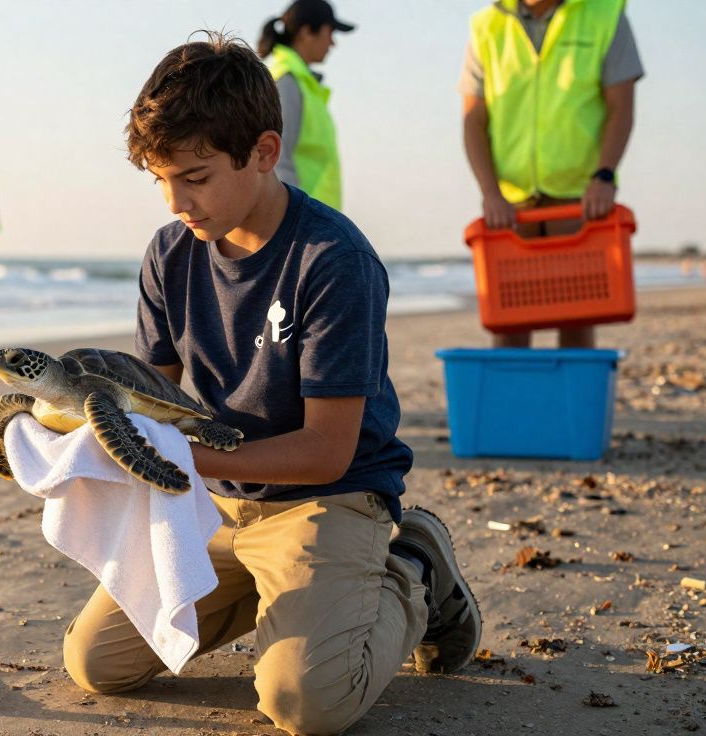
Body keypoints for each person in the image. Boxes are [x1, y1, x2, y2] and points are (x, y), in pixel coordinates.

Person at [61, 35, 481, 735]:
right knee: (96, 663)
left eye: (194, 176)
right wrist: (60, 428)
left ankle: (412, 566)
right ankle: (286, 596)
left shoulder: (332, 260)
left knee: (303, 705)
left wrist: (185, 459)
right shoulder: (171, 254)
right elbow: (150, 400)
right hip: (218, 505)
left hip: (327, 498)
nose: (175, 202)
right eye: (161, 179)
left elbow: (326, 452)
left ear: (263, 151)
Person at [461, 0, 643, 348]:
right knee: (508, 324)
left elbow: (622, 107)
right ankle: (515, 402)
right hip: (511, 203)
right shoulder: (486, 26)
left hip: (580, 196)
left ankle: (574, 401)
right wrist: (490, 192)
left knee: (579, 316)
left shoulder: (604, 15)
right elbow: (473, 120)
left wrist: (604, 176)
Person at [256, 0, 354, 211]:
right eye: (330, 33)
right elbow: (277, 159)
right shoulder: (286, 80)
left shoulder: (300, 82)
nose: (332, 43)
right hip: (302, 222)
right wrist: (294, 220)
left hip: (313, 218)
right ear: (307, 32)